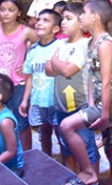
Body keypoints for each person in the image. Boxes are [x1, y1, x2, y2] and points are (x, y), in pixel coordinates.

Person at [60, 0, 112, 185]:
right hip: (99, 102)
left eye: (84, 13)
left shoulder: (105, 43)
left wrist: (104, 114)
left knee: (66, 126)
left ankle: (89, 172)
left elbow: (106, 82)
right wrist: (90, 103)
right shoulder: (91, 43)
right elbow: (90, 77)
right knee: (111, 149)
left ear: (95, 16)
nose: (81, 17)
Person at [45, 2, 99, 171]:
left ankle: (92, 178)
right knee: (66, 145)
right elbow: (48, 71)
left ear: (81, 21)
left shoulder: (85, 44)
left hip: (80, 107)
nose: (63, 22)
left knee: (86, 146)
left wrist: (55, 61)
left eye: (69, 18)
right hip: (61, 107)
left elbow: (68, 70)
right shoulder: (61, 44)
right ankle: (73, 176)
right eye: (62, 19)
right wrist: (58, 65)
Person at [0, 0, 38, 150]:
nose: (6, 13)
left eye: (11, 10)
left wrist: (29, 62)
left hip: (19, 82)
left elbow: (41, 45)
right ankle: (3, 148)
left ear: (19, 12)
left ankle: (26, 153)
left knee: (21, 120)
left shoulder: (25, 31)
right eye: (3, 9)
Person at [20, 9, 64, 153]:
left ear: (56, 28)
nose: (39, 23)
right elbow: (30, 77)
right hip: (39, 101)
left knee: (61, 135)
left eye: (46, 20)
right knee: (44, 133)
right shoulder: (32, 50)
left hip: (57, 102)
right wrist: (26, 100)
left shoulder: (61, 47)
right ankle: (47, 160)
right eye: (38, 20)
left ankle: (67, 166)